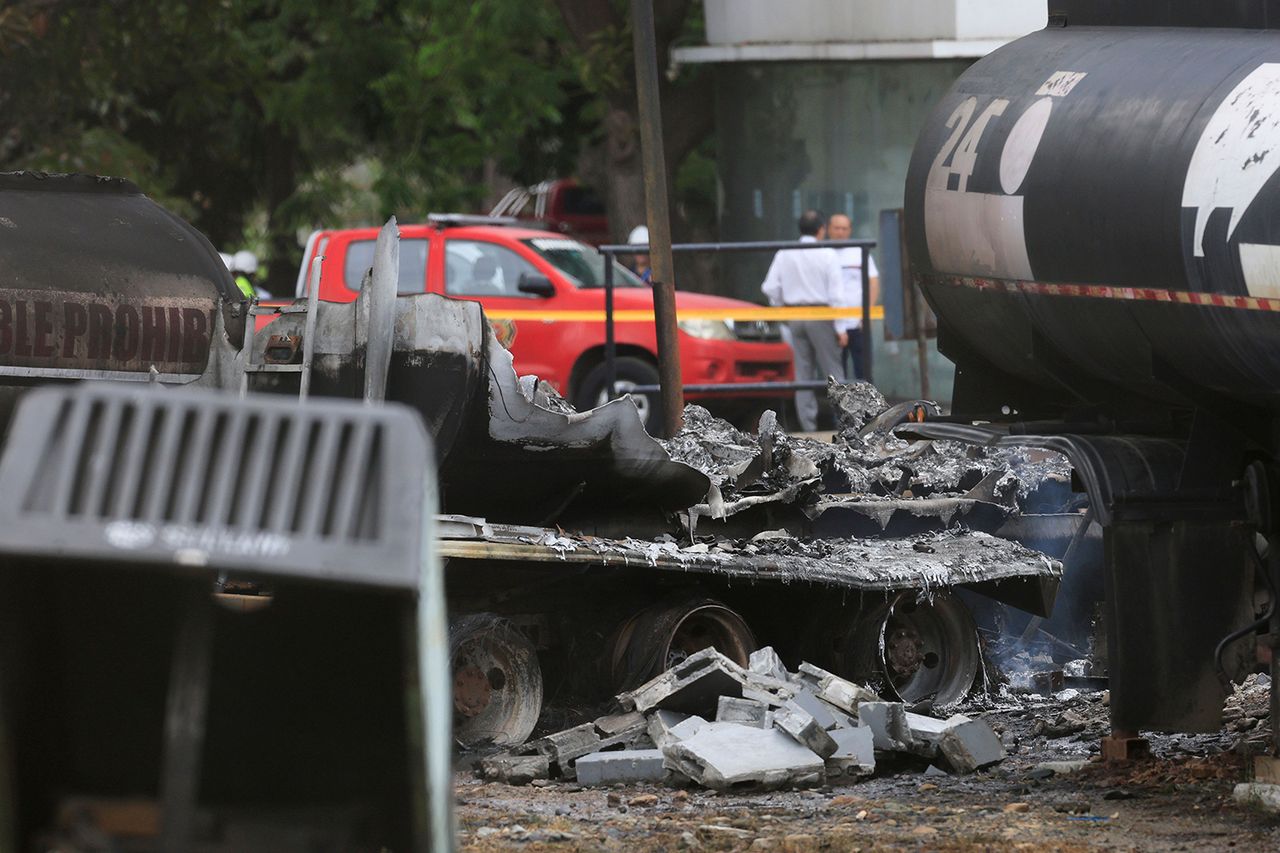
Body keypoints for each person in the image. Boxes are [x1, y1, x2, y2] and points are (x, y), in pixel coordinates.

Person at [761, 210, 844, 432]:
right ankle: (844, 424)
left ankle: (808, 428)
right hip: (820, 315)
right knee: (833, 371)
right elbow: (836, 295)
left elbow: (769, 287)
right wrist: (841, 326)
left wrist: (782, 311)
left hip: (794, 316)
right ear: (821, 230)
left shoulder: (785, 253)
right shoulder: (827, 254)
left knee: (802, 374)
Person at [826, 213, 879, 380]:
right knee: (835, 376)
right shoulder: (822, 253)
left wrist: (867, 315)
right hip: (831, 324)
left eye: (844, 228)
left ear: (850, 230)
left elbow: (873, 283)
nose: (840, 232)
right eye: (836, 228)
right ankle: (837, 407)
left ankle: (867, 407)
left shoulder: (859, 251)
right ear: (828, 229)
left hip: (858, 323)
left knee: (863, 373)